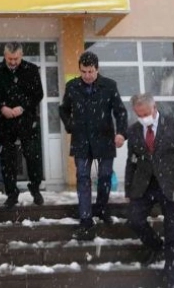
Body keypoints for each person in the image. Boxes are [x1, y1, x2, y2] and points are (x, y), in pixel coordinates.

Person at [125, 93, 174, 288]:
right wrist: (128, 189)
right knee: (134, 219)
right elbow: (131, 161)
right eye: (139, 115)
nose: (143, 118)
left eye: (146, 113)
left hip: (172, 185)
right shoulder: (134, 130)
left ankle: (171, 279)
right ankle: (157, 247)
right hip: (144, 185)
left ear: (154, 107)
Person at [59, 51, 127, 241]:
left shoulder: (109, 85)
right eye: (83, 72)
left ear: (97, 69)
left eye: (90, 71)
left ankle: (101, 208)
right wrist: (70, 125)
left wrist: (121, 133)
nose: (87, 75)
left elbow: (120, 112)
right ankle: (85, 218)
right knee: (82, 178)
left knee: (104, 176)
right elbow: (63, 110)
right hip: (81, 139)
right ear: (79, 70)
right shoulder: (72, 86)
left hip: (104, 138)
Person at [0, 41, 45, 207]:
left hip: (27, 120)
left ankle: (35, 188)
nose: (13, 62)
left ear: (21, 56)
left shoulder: (31, 70)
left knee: (33, 157)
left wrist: (22, 107)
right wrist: (2, 107)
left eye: (16, 59)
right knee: (7, 160)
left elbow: (38, 94)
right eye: (10, 59)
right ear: (5, 56)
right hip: (5, 123)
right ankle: (11, 193)